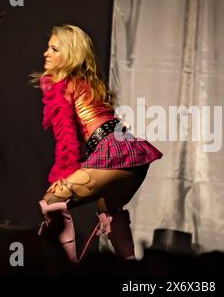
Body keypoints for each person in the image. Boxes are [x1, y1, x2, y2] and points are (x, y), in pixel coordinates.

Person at [33, 24, 162, 262]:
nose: (45, 53)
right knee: (109, 209)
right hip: (131, 156)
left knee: (52, 200)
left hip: (113, 152)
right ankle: (132, 271)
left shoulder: (67, 84)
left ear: (70, 54)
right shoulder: (86, 81)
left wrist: (64, 176)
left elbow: (67, 141)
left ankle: (65, 270)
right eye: (47, 48)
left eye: (53, 48)